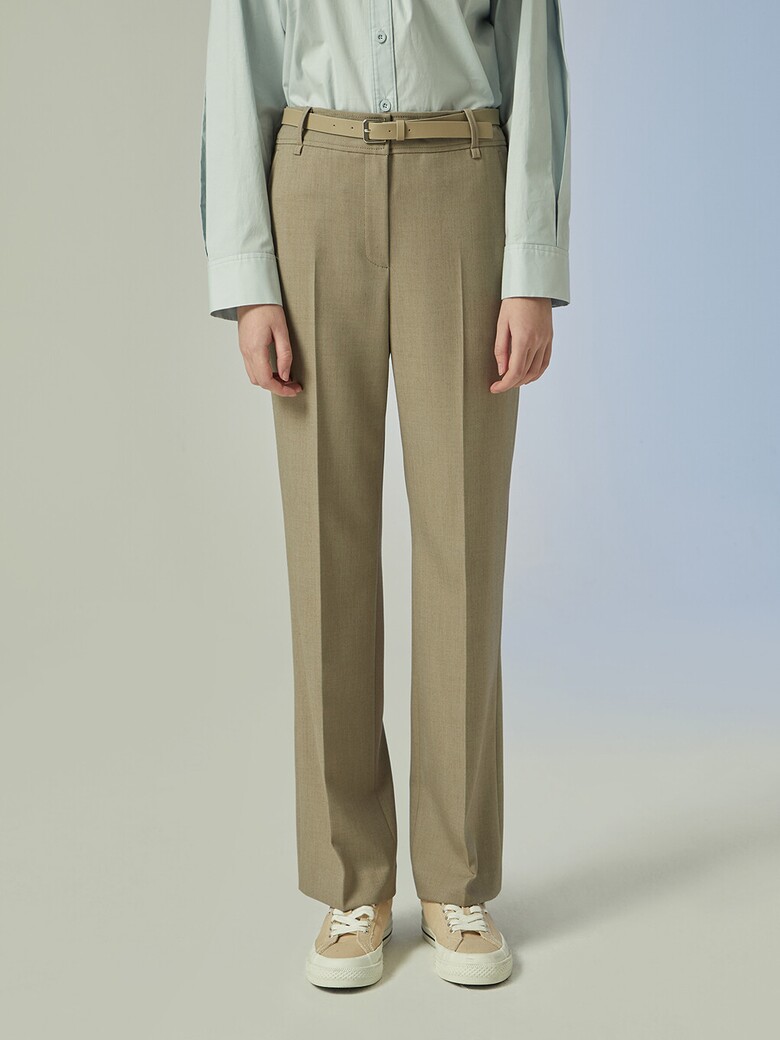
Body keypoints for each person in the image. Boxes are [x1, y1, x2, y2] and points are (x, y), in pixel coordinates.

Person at [199, 0, 571, 989]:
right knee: (326, 545)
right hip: (314, 177)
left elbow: (534, 66)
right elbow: (238, 68)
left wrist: (531, 269)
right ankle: (349, 881)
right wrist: (249, 280)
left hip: (462, 175)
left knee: (463, 540)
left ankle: (455, 877)